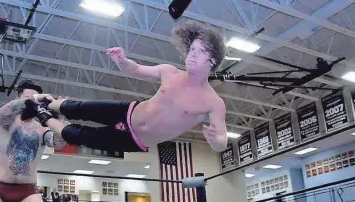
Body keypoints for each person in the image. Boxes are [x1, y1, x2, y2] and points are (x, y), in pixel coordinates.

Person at [31, 21, 228, 153]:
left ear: (212, 60)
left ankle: (42, 115)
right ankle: (49, 102)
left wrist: (213, 139)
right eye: (192, 49)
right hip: (126, 112)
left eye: (200, 52)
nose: (192, 54)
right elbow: (136, 71)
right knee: (78, 108)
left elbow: (221, 143)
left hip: (134, 140)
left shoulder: (213, 103)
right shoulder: (169, 71)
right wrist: (122, 61)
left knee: (76, 135)